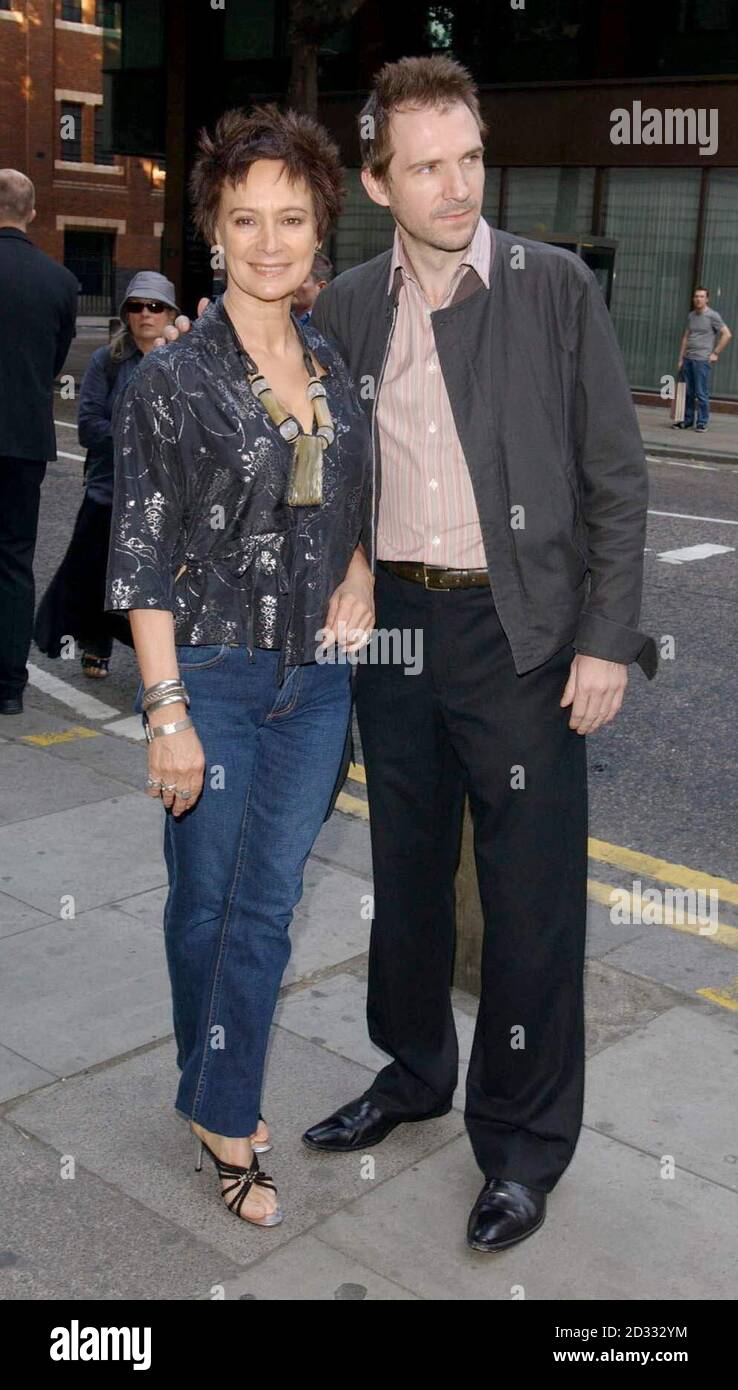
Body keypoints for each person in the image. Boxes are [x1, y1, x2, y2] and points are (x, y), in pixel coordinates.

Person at [296, 55, 659, 1253]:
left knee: (532, 902)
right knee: (402, 877)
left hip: (525, 638)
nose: (456, 188)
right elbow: (331, 467)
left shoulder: (552, 288)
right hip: (400, 628)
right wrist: (348, 562)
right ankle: (410, 1074)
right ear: (379, 182)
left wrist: (605, 641)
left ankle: (520, 1147)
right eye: (428, 168)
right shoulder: (350, 305)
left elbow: (615, 479)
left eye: (469, 159)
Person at [104, 104, 374, 1229]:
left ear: (320, 233)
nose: (271, 241)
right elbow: (143, 554)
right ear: (214, 229)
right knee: (204, 907)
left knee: (262, 907)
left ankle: (218, 1098)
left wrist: (357, 567)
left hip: (315, 684)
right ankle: (224, 1103)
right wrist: (166, 711)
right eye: (246, 219)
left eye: (293, 219)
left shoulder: (332, 356)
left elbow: (345, 489)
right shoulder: (170, 380)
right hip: (210, 673)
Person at [34, 273, 179, 677]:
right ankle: (96, 642)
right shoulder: (108, 362)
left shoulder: (185, 362)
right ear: (125, 315)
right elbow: (88, 428)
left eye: (154, 307)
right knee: (95, 572)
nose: (145, 315)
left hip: (168, 497)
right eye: (136, 307)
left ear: (170, 314)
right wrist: (139, 437)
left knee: (157, 579)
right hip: (109, 489)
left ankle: (165, 657)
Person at [0, 170, 78, 714]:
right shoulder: (60, 282)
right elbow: (54, 363)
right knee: (13, 560)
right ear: (31, 213)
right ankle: (8, 687)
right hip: (24, 438)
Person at [673, 286, 732, 432]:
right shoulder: (691, 315)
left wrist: (715, 353)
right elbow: (686, 337)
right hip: (688, 359)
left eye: (701, 297)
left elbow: (727, 334)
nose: (698, 299)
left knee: (701, 392)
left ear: (707, 299)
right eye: (696, 296)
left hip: (701, 360)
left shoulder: (713, 316)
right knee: (687, 392)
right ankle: (687, 421)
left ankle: (702, 422)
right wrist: (681, 359)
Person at [292, 249, 333, 324]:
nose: (292, 285)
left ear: (321, 287)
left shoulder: (330, 324)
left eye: (301, 280)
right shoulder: (280, 321)